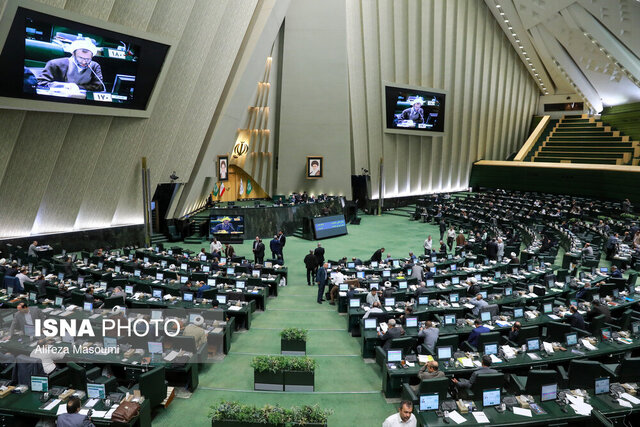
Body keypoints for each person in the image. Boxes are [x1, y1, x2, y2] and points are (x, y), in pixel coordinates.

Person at [38, 38, 103, 92]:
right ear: (73, 54)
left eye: (88, 59)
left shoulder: (94, 66)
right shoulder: (55, 64)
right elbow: (42, 83)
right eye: (80, 58)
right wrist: (65, 86)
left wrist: (77, 87)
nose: (84, 62)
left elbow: (98, 86)